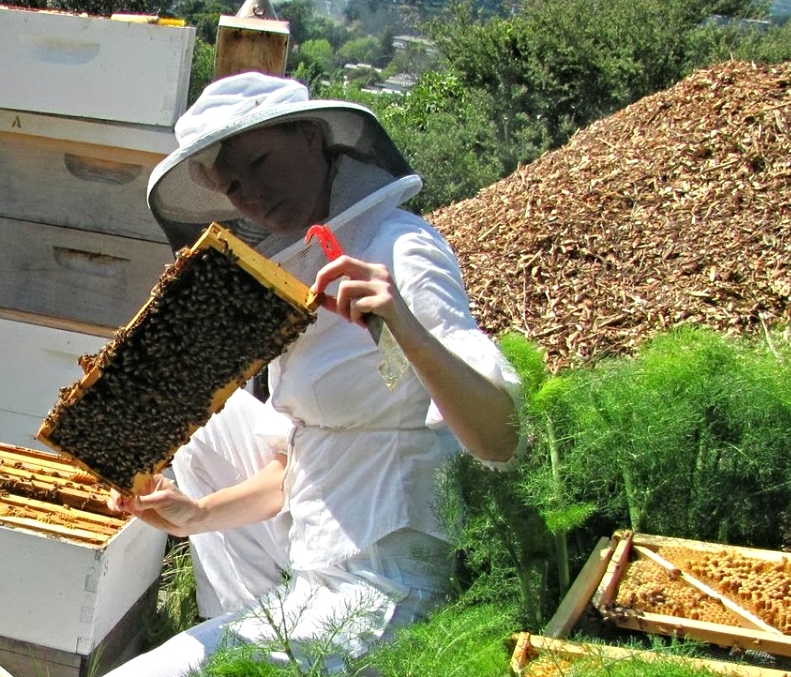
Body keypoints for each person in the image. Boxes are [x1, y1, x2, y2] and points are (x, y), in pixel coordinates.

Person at [105, 72, 524, 677]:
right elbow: (296, 464)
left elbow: (502, 439)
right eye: (232, 185)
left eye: (261, 162)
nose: (250, 196)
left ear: (310, 138)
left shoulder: (401, 251)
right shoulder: (302, 269)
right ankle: (248, 630)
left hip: (388, 592)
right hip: (316, 565)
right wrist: (196, 515)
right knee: (207, 422)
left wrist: (405, 325)